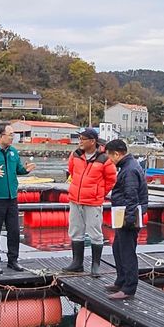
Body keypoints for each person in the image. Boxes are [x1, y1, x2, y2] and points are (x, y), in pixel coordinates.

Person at [0, 123, 35, 274]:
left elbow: (18, 170)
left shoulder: (13, 152)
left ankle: (13, 260)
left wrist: (25, 170)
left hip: (12, 197)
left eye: (13, 134)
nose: (12, 137)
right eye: (10, 134)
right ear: (0, 136)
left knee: (14, 230)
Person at [62, 128, 116, 276]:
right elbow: (72, 172)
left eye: (83, 139)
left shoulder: (105, 159)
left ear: (92, 141)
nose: (80, 141)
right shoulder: (75, 155)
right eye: (79, 138)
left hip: (93, 202)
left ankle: (95, 265)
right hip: (75, 199)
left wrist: (99, 193)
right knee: (75, 231)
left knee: (95, 232)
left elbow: (111, 180)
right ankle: (77, 263)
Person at [104, 139, 148, 299]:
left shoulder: (129, 170)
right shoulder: (128, 166)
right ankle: (121, 280)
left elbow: (132, 195)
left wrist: (129, 219)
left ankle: (129, 288)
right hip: (123, 213)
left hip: (128, 215)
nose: (109, 160)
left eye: (110, 156)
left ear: (117, 154)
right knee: (118, 248)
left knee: (127, 252)